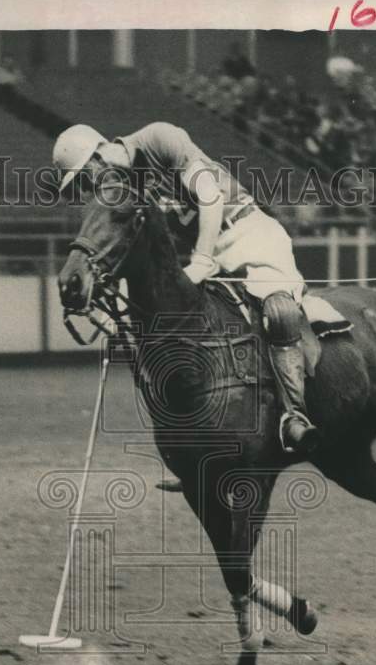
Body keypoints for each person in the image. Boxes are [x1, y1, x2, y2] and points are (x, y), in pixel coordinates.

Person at [52, 122, 320, 455]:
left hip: (247, 231)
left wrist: (203, 258)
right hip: (204, 254)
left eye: (83, 178)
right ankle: (202, 439)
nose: (88, 187)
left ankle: (295, 417)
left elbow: (210, 195)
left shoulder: (159, 139)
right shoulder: (122, 190)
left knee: (280, 312)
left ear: (96, 159)